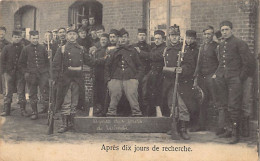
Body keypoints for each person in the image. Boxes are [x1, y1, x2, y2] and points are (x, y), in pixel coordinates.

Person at [215, 21, 252, 144]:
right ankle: (229, 130)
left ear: (232, 30)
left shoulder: (239, 43)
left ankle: (236, 134)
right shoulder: (221, 45)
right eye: (222, 30)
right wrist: (219, 75)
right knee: (225, 105)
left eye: (226, 29)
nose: (224, 32)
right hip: (223, 79)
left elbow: (246, 63)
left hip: (234, 79)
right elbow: (221, 62)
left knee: (234, 106)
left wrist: (239, 78)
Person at [52, 28, 95, 133]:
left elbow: (89, 61)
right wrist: (56, 78)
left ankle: (72, 123)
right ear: (67, 36)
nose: (72, 36)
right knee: (66, 102)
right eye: (70, 34)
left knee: (74, 102)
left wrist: (101, 59)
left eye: (74, 34)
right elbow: (55, 65)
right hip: (65, 79)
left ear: (77, 36)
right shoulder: (62, 49)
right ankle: (64, 124)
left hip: (78, 79)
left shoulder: (81, 49)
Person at [161, 25, 196, 140]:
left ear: (179, 36)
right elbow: (164, 67)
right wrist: (172, 70)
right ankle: (174, 127)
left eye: (176, 35)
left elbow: (191, 66)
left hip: (182, 82)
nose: (174, 38)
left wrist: (183, 70)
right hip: (169, 82)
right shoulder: (166, 50)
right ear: (169, 37)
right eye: (172, 36)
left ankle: (183, 129)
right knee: (172, 105)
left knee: (183, 106)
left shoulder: (185, 50)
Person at [104, 28, 144, 117]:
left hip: (130, 77)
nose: (123, 39)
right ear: (118, 39)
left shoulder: (133, 51)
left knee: (132, 93)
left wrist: (137, 78)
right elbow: (107, 66)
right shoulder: (113, 51)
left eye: (125, 37)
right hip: (115, 77)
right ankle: (111, 112)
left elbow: (140, 66)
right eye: (121, 37)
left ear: (128, 38)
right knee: (114, 93)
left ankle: (136, 112)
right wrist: (108, 80)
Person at [18, 30, 50, 120]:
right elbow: (21, 64)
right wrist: (26, 72)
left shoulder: (43, 48)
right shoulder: (26, 49)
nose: (35, 40)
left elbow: (47, 62)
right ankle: (34, 112)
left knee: (45, 93)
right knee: (32, 94)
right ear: (30, 38)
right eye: (33, 38)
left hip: (43, 74)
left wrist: (47, 72)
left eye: (36, 38)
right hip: (31, 75)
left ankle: (48, 112)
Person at [193, 26, 218, 132]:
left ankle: (220, 126)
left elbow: (220, 63)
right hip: (202, 78)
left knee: (216, 101)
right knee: (202, 101)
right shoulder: (202, 47)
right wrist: (196, 76)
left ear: (212, 35)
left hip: (212, 78)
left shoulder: (217, 46)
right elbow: (198, 63)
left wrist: (216, 75)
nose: (207, 36)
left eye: (209, 34)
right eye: (205, 34)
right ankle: (201, 125)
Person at [0, 30, 29, 117]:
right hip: (8, 73)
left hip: (20, 74)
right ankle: (6, 110)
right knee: (8, 92)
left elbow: (26, 60)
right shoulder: (6, 48)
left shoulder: (24, 48)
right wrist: (4, 71)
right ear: (12, 37)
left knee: (21, 91)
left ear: (21, 38)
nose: (17, 39)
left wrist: (24, 71)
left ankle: (23, 110)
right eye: (15, 37)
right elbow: (2, 60)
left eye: (18, 37)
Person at [137, 30, 165, 116]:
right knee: (147, 91)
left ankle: (158, 113)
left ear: (163, 39)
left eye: (159, 39)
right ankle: (148, 112)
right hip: (152, 73)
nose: (156, 40)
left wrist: (140, 52)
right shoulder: (153, 48)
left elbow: (154, 56)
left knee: (157, 94)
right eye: (155, 38)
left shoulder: (164, 48)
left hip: (160, 73)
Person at [133, 28, 151, 116]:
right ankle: (135, 111)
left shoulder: (149, 47)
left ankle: (145, 112)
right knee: (135, 91)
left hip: (146, 72)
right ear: (137, 36)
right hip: (136, 73)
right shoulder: (133, 47)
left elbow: (151, 57)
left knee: (145, 92)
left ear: (146, 36)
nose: (142, 37)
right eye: (140, 35)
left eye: (143, 35)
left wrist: (141, 52)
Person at [92, 33, 109, 116]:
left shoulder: (108, 50)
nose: (103, 41)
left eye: (105, 39)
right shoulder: (97, 51)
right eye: (102, 40)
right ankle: (99, 109)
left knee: (105, 93)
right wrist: (101, 60)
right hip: (97, 74)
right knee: (97, 93)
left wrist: (98, 61)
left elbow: (107, 61)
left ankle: (105, 110)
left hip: (105, 74)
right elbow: (93, 62)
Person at [0, 26, 10, 95]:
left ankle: (4, 95)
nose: (1, 35)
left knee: (4, 81)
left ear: (5, 33)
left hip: (3, 65)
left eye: (2, 33)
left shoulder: (8, 44)